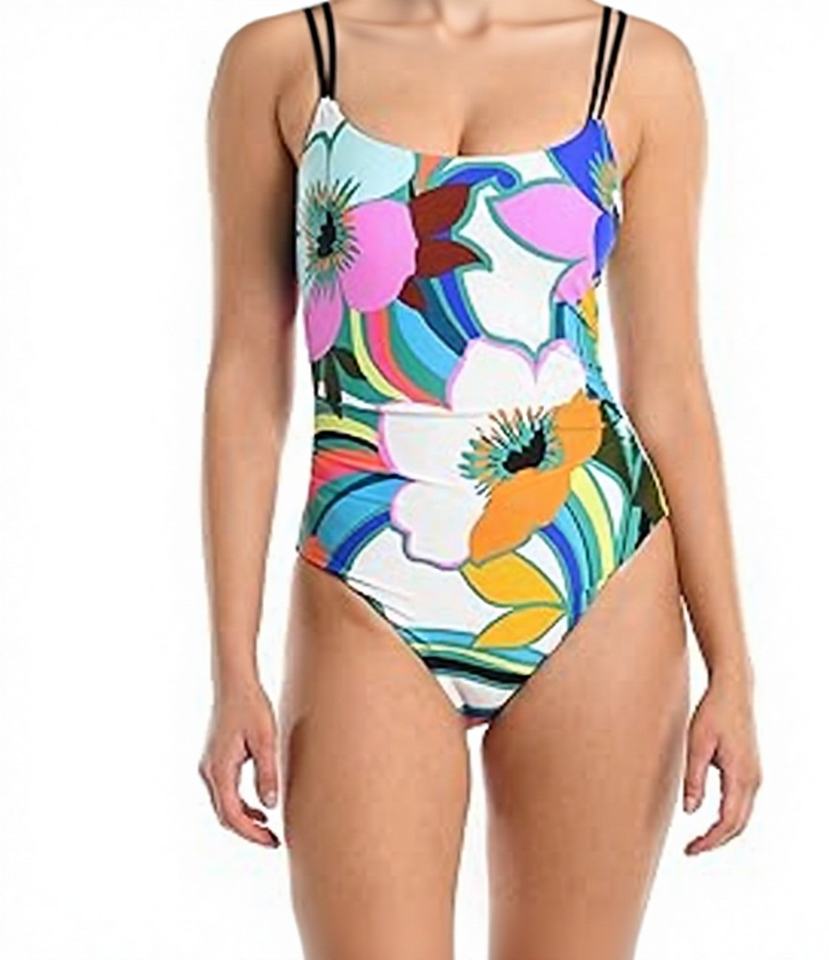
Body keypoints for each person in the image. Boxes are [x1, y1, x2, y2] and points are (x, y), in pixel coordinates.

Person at [199, 1, 761, 956]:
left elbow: (669, 386)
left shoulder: (638, 67)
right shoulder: (287, 61)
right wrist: (231, 668)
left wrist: (733, 669)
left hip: (597, 569)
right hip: (364, 577)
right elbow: (246, 380)